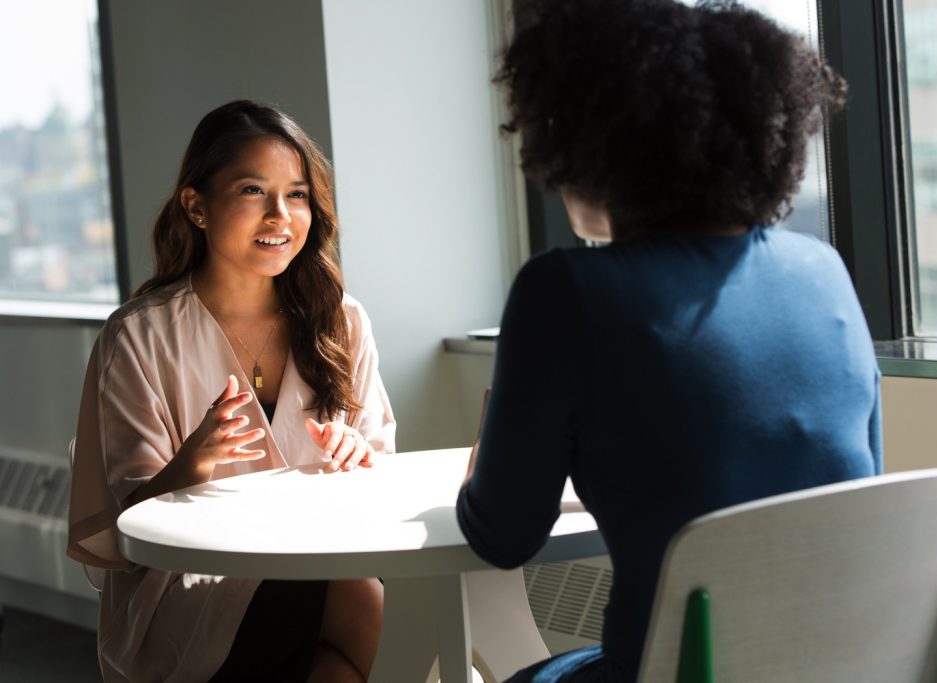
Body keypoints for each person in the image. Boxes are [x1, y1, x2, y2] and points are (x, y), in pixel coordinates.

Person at [456, 1, 881, 681]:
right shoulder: (824, 272)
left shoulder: (564, 289)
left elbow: (503, 536)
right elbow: (856, 490)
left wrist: (486, 467)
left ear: (590, 143)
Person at [67, 100, 395, 683]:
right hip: (188, 593)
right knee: (365, 604)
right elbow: (125, 533)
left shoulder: (342, 321)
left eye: (297, 194)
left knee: (342, 664)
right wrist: (188, 468)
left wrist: (358, 454)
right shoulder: (139, 336)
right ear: (196, 206)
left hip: (323, 564)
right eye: (252, 191)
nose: (281, 215)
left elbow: (382, 475)